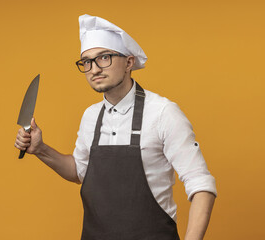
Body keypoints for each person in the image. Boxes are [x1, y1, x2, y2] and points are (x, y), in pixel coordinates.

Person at [14, 14, 217, 240]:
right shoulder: (90, 116)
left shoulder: (162, 113)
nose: (94, 69)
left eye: (105, 57)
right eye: (87, 61)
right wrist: (41, 149)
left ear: (129, 63)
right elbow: (79, 172)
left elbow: (201, 184)